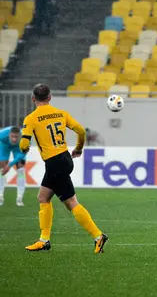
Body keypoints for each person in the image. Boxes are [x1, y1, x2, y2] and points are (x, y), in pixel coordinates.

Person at [20, 84, 108, 253]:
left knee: (71, 203)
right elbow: (81, 131)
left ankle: (98, 236)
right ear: (50, 97)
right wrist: (79, 149)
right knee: (43, 197)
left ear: (33, 99)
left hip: (54, 163)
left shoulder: (31, 118)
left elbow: (24, 143)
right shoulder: (61, 114)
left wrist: (23, 149)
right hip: (65, 158)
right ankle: (44, 240)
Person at [0, 126, 26, 206]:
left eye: (16, 137)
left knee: (21, 169)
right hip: (4, 146)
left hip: (18, 148)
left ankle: (19, 198)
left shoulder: (25, 138)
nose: (14, 139)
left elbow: (22, 154)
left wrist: (9, 165)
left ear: (20, 135)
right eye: (12, 136)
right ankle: (0, 196)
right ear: (9, 135)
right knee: (2, 169)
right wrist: (5, 166)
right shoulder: (2, 135)